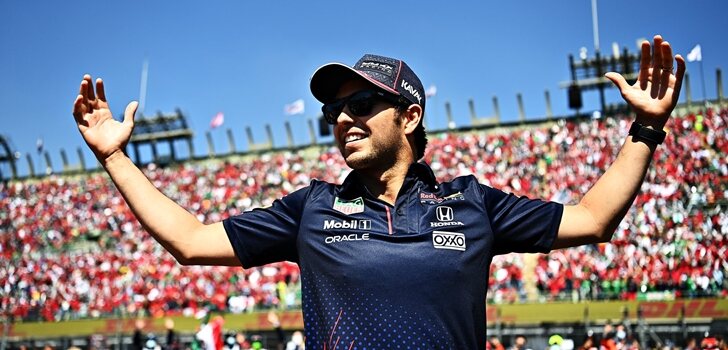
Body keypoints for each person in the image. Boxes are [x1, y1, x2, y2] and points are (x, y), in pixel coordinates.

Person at [72, 35, 685, 349]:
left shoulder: (473, 204)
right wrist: (115, 156)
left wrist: (647, 128)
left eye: (362, 104)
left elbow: (595, 219)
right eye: (334, 110)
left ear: (410, 117)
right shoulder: (309, 209)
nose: (343, 118)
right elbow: (187, 240)